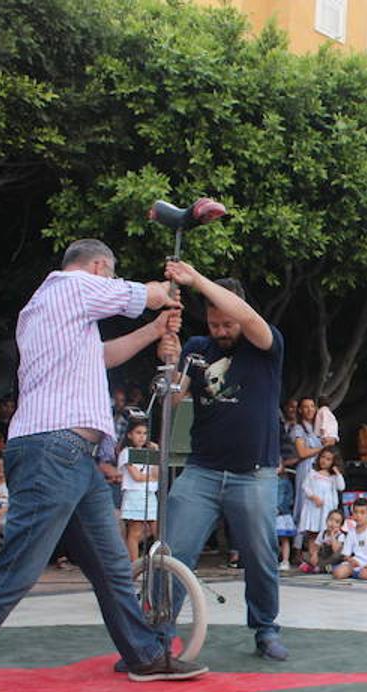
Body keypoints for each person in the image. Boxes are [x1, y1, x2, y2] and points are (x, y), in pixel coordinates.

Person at [0, 239, 204, 692]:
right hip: (56, 448)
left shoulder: (59, 313)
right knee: (18, 569)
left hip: (73, 455)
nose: (111, 286)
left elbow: (104, 356)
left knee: (111, 566)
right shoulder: (69, 286)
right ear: (97, 267)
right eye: (109, 277)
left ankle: (144, 655)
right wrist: (168, 290)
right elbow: (142, 293)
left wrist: (156, 329)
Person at [159, 259, 288, 661]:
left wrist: (196, 279)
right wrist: (167, 363)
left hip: (254, 474)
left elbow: (248, 318)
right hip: (202, 470)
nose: (221, 331)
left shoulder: (266, 345)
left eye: (226, 324)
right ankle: (157, 635)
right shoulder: (198, 350)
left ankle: (266, 628)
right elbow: (172, 397)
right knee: (174, 552)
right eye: (214, 324)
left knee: (260, 557)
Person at [117, 420, 158, 563]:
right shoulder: (126, 452)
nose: (142, 437)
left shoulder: (149, 452)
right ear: (129, 435)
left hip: (150, 494)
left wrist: (156, 453)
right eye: (138, 433)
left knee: (157, 529)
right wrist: (150, 477)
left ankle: (160, 561)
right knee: (135, 531)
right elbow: (137, 476)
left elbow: (157, 474)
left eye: (145, 433)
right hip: (135, 494)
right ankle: (134, 565)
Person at [297, 446, 343, 570]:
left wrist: (337, 473)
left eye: (328, 459)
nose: (324, 461)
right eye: (323, 457)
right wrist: (314, 497)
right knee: (313, 535)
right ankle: (313, 560)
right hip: (314, 508)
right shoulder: (312, 473)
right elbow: (305, 487)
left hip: (326, 511)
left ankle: (322, 561)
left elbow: (341, 487)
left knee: (323, 534)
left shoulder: (333, 478)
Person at [332, 497, 367, 581]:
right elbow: (346, 555)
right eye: (356, 512)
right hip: (355, 563)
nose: (358, 516)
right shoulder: (351, 532)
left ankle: (357, 573)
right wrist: (350, 560)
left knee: (365, 574)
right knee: (338, 573)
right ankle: (354, 572)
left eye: (362, 513)